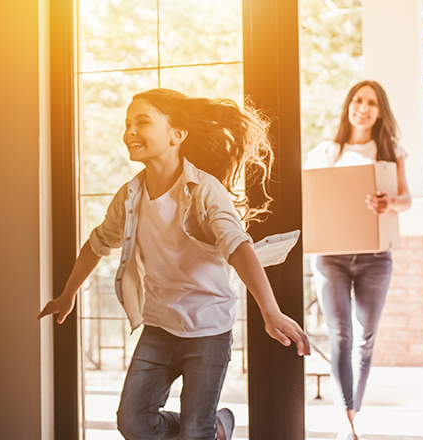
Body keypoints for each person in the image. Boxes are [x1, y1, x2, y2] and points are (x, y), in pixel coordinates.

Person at [37, 88, 310, 440]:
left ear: (176, 135)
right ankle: (214, 429)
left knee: (195, 432)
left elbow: (238, 247)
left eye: (143, 122)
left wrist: (270, 312)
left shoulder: (205, 191)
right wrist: (67, 294)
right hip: (159, 325)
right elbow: (98, 242)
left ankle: (210, 427)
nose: (130, 131)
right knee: (133, 423)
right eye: (128, 123)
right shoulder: (130, 196)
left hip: (208, 329)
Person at [304, 80, 412, 440]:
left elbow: (406, 199)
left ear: (380, 111)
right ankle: (344, 418)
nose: (362, 107)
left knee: (365, 339)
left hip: (375, 258)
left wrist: (389, 203)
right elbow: (312, 198)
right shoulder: (326, 152)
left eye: (371, 102)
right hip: (331, 258)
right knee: (341, 336)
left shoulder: (389, 151)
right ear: (348, 105)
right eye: (357, 100)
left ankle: (353, 412)